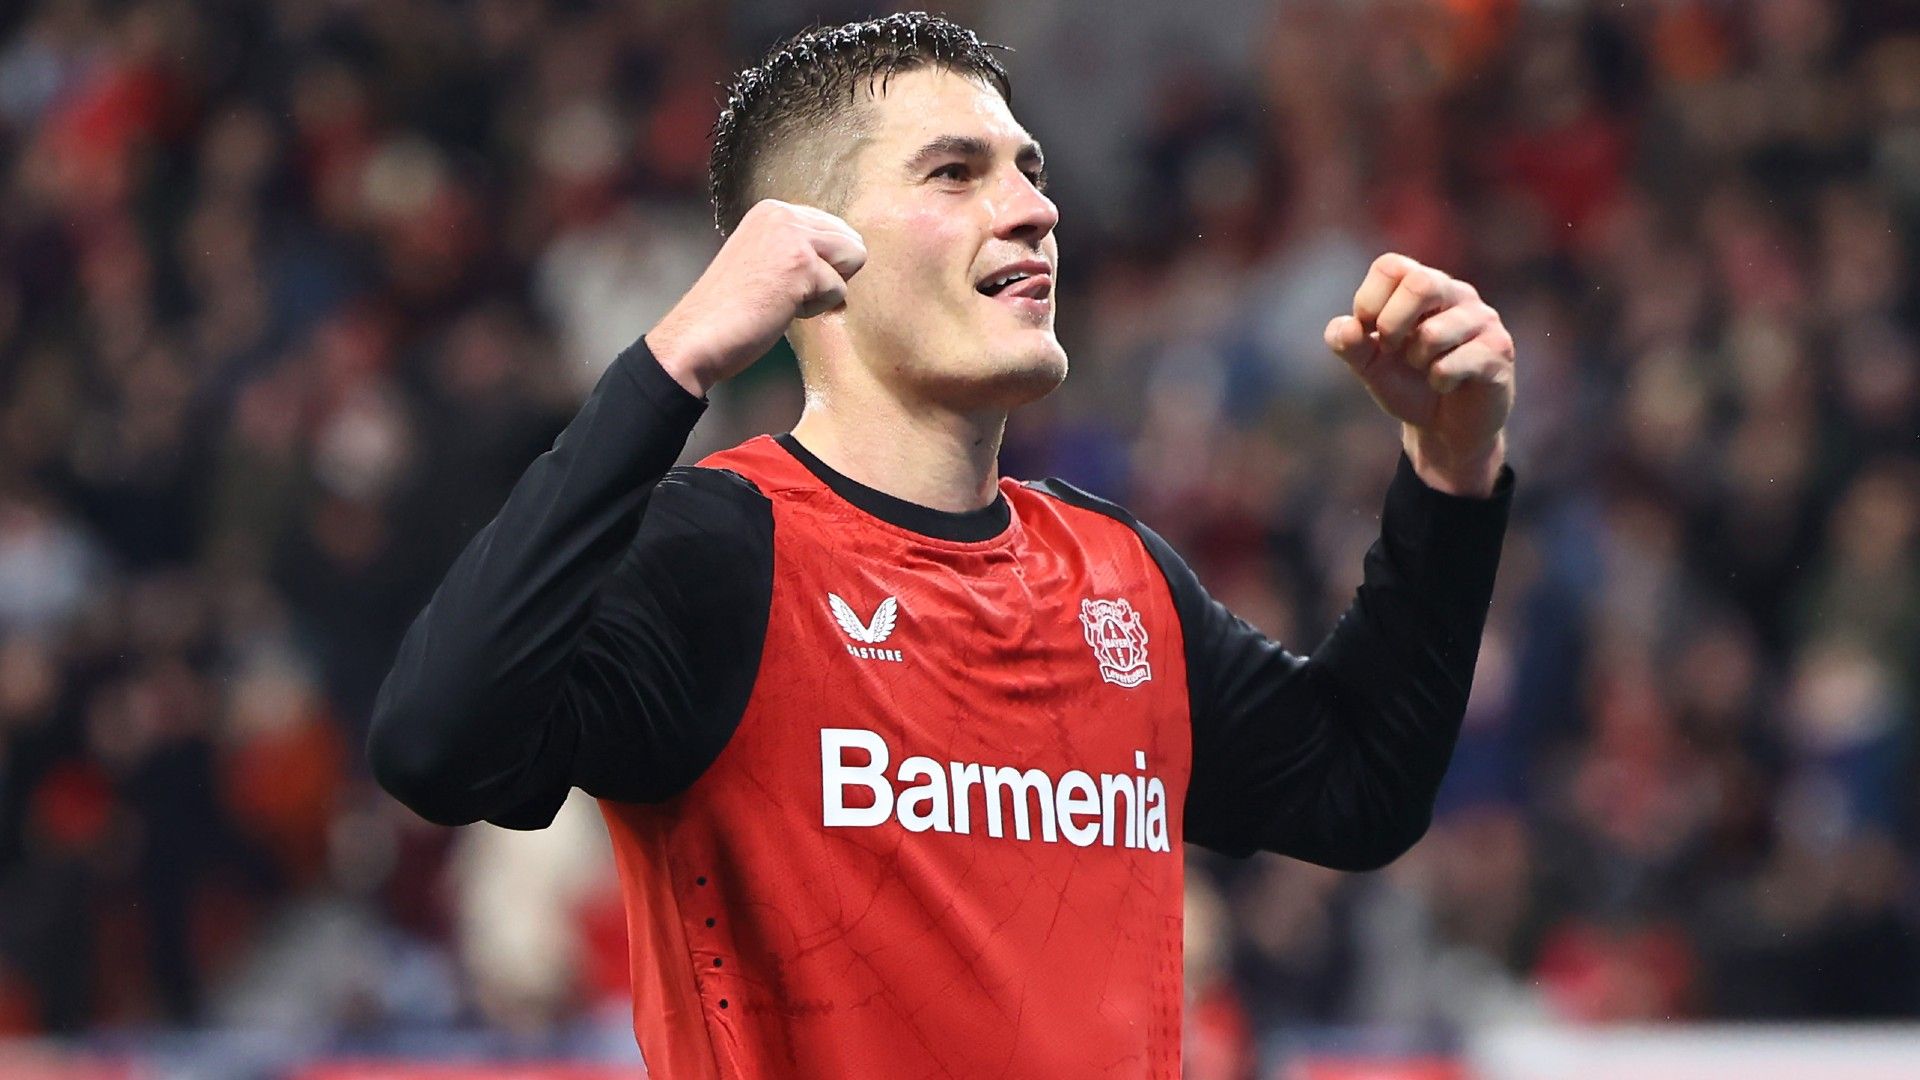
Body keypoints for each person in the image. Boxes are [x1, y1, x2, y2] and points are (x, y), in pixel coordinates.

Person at [367, 13, 1515, 1078]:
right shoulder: (722, 552)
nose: (1031, 208)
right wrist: (672, 364)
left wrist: (1450, 474)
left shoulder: (1118, 577)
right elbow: (438, 743)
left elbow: (1360, 790)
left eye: (1031, 170)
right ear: (811, 252)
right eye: (956, 172)